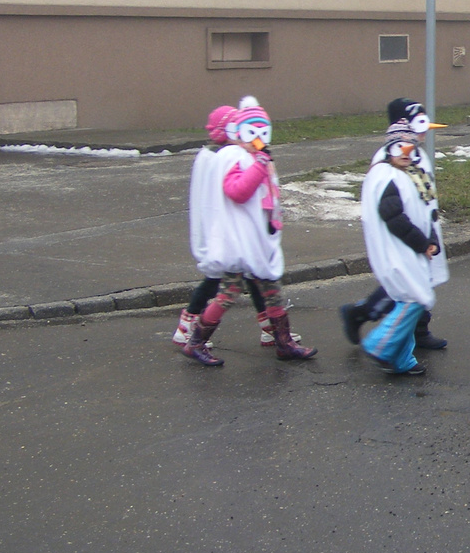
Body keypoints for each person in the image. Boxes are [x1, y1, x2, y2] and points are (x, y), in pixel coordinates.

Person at [179, 97, 315, 366]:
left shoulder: (254, 157)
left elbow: (267, 196)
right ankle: (195, 342)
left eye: (264, 132)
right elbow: (238, 192)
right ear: (237, 132)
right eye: (252, 132)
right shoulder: (234, 157)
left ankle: (283, 343)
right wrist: (260, 165)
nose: (259, 139)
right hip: (238, 241)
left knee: (272, 289)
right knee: (229, 292)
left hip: (256, 240)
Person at [340, 98, 449, 352]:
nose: (423, 132)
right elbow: (389, 207)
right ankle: (365, 315)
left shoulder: (415, 152)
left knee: (418, 281)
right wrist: (418, 237)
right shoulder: (390, 159)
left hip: (421, 229)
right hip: (404, 234)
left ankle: (414, 329)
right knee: (406, 285)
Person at [172, 104, 276, 354]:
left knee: (249, 273)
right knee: (223, 278)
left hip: (239, 226)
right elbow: (228, 192)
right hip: (228, 227)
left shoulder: (230, 152)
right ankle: (188, 325)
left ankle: (269, 325)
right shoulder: (219, 157)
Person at [358, 122, 446, 376]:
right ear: (389, 149)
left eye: (410, 149)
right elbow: (394, 216)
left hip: (410, 248)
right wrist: (421, 242)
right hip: (398, 251)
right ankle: (381, 345)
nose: (406, 154)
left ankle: (401, 358)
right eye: (400, 148)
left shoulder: (409, 175)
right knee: (414, 298)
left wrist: (430, 241)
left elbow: (424, 211)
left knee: (408, 299)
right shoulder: (387, 176)